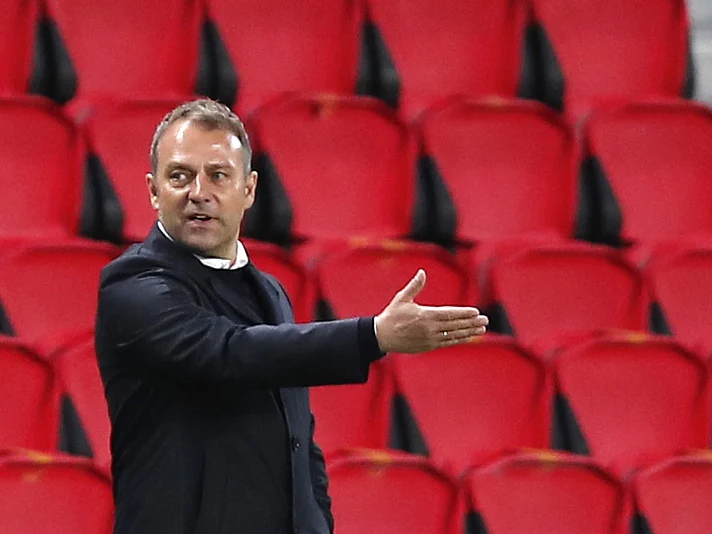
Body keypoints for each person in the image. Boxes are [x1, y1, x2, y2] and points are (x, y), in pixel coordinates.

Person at [95, 98, 488, 534]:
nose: (199, 192)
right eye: (179, 176)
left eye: (218, 175)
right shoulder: (133, 284)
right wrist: (372, 335)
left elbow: (298, 440)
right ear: (154, 190)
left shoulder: (271, 293)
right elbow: (228, 353)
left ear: (249, 189)